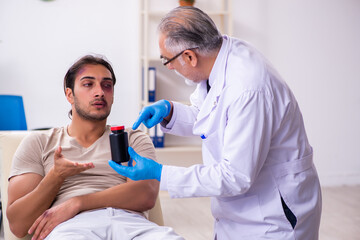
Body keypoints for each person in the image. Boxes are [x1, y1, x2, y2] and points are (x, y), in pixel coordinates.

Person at [109, 6, 322, 240]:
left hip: (272, 216)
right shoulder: (219, 57)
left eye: (167, 60)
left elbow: (235, 177)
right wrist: (171, 112)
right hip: (241, 211)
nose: (168, 66)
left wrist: (161, 174)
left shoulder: (247, 89)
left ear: (190, 56)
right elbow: (212, 117)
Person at [7, 55, 183, 240]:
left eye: (107, 85)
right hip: (71, 227)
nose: (99, 92)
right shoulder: (39, 142)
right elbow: (18, 225)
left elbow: (146, 194)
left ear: (113, 95)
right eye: (88, 84)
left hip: (130, 224)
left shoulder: (133, 138)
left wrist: (78, 202)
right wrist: (55, 177)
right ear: (69, 95)